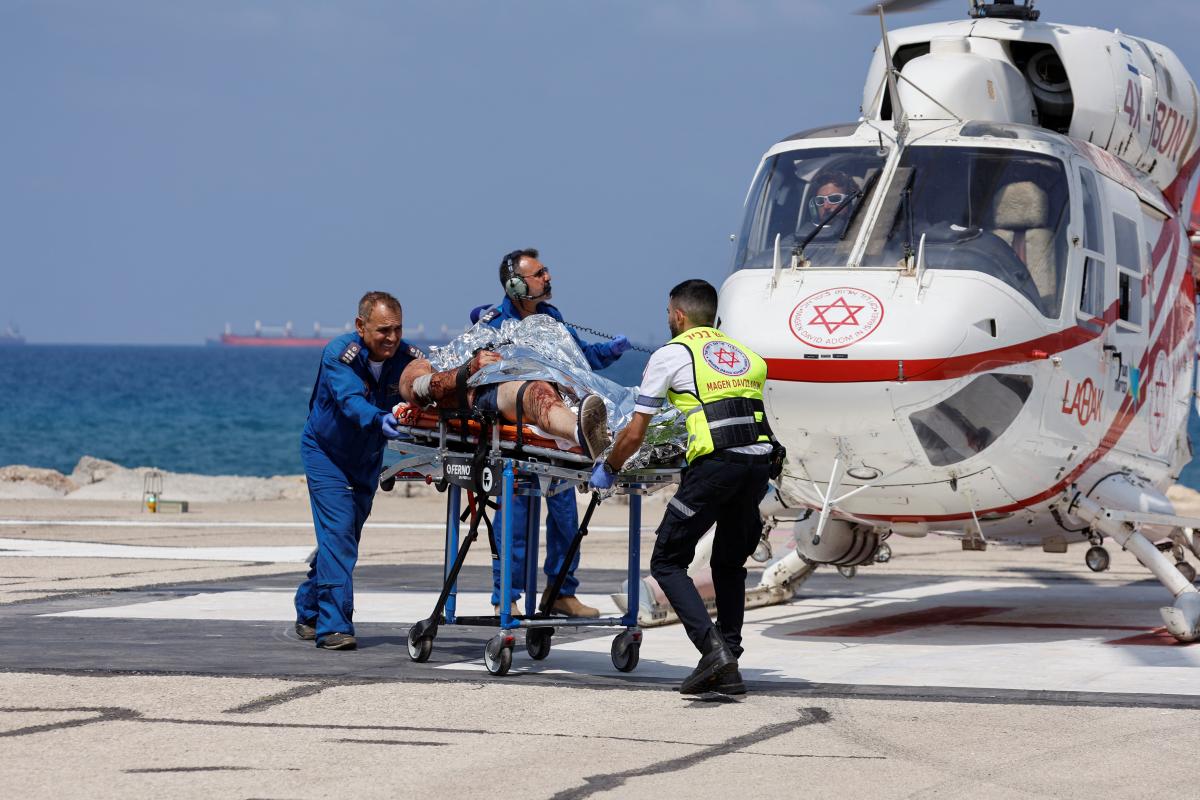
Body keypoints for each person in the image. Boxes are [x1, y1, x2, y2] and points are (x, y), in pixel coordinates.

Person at [591, 279, 781, 695]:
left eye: (667, 314)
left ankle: (712, 652)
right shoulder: (746, 356)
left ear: (678, 315)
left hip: (716, 467)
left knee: (667, 561)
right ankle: (728, 661)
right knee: (729, 564)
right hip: (757, 467)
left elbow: (635, 432)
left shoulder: (672, 354)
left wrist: (609, 467)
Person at [468, 247, 631, 617]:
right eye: (539, 274)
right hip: (515, 436)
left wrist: (611, 351)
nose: (548, 278)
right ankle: (506, 598)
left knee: (566, 519)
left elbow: (580, 358)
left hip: (554, 436)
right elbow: (479, 372)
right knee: (513, 522)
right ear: (515, 285)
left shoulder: (552, 317)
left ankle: (560, 592)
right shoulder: (494, 324)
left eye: (546, 271)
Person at [293, 291, 422, 651]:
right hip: (326, 454)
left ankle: (309, 609)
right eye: (383, 330)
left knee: (345, 536)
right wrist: (380, 419)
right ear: (360, 326)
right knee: (338, 534)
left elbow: (425, 389)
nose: (392, 338)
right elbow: (350, 401)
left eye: (398, 329)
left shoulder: (409, 359)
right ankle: (334, 627)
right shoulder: (340, 354)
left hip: (367, 458)